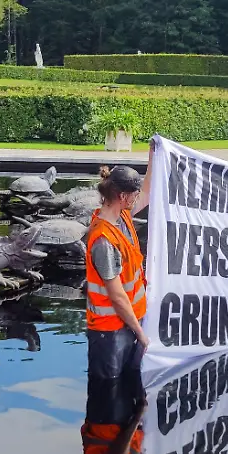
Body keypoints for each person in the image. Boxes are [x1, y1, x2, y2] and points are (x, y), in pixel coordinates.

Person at [86, 156, 152, 379]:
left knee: (127, 390)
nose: (137, 197)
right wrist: (141, 333)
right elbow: (117, 296)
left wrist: (154, 155)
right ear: (123, 196)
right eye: (134, 194)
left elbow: (146, 194)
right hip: (110, 333)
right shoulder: (103, 240)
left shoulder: (122, 216)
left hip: (128, 324)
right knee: (109, 394)